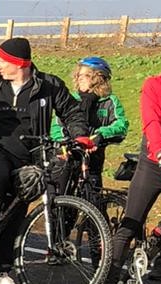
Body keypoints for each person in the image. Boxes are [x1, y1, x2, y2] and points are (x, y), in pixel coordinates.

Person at [0, 37, 87, 284]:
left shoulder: (48, 86)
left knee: (16, 211)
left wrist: (78, 135)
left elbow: (72, 112)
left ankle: (1, 272)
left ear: (18, 64)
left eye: (3, 61)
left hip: (29, 158)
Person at [103, 47, 161, 284]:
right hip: (154, 161)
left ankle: (160, 251)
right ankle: (110, 282)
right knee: (131, 222)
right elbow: (152, 122)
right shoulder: (154, 85)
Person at [51, 56, 128, 186]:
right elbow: (56, 126)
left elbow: (121, 125)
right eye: (78, 74)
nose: (79, 78)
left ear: (98, 78)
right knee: (61, 193)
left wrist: (101, 135)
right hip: (68, 157)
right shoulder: (71, 100)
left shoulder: (110, 101)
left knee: (94, 197)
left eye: (85, 75)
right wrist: (63, 143)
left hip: (94, 159)